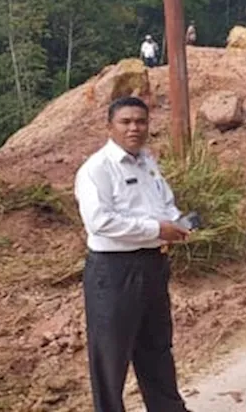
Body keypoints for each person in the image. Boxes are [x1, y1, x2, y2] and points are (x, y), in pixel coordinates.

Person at [74, 96, 192, 412]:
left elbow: (165, 202)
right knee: (111, 355)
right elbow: (100, 222)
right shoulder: (96, 169)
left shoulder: (147, 163)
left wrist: (175, 223)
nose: (134, 128)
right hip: (114, 272)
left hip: (153, 265)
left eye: (140, 121)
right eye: (126, 122)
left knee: (156, 346)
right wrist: (157, 229)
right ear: (109, 127)